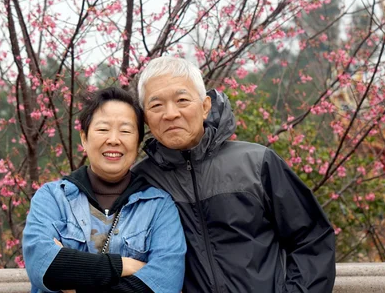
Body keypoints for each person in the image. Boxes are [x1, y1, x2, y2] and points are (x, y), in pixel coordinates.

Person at [132, 56, 336, 293]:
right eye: (156, 105)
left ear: (205, 106)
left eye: (182, 100)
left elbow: (312, 239)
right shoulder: (141, 182)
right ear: (145, 117)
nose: (170, 113)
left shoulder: (257, 163)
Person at [23, 87, 186, 293]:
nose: (114, 139)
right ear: (84, 138)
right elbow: (44, 266)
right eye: (102, 129)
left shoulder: (158, 206)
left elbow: (166, 283)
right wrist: (123, 266)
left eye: (125, 131)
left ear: (137, 143)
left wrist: (75, 278)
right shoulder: (52, 198)